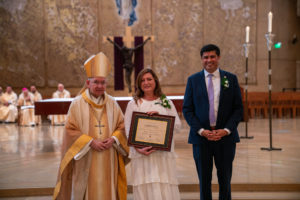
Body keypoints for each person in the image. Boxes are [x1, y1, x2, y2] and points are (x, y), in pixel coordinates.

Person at [53, 52, 129, 200]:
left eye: (103, 82)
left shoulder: (112, 103)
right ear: (88, 83)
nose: (100, 86)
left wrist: (114, 139)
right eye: (96, 82)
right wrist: (90, 141)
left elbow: (122, 126)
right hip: (86, 156)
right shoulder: (77, 104)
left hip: (109, 156)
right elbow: (70, 130)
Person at [182, 44, 243, 200]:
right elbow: (187, 110)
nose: (209, 60)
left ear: (218, 58)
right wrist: (201, 131)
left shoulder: (230, 79)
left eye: (212, 56)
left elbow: (238, 109)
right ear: (201, 59)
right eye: (205, 57)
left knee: (225, 180)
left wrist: (226, 130)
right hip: (201, 138)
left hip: (225, 138)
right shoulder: (193, 80)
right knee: (204, 181)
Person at [124, 68, 181, 200]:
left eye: (149, 79)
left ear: (155, 81)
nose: (146, 82)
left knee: (163, 183)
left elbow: (177, 126)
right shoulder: (134, 104)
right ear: (138, 84)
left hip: (162, 155)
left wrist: (160, 116)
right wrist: (138, 148)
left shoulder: (165, 102)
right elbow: (128, 129)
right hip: (142, 155)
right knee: (145, 185)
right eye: (142, 80)